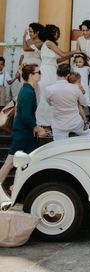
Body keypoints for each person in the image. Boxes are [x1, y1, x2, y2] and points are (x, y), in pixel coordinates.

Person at [0, 65, 47, 194]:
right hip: (22, 133)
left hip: (24, 133)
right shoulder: (27, 92)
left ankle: (15, 186)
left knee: (30, 162)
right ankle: (13, 186)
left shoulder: (27, 90)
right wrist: (37, 128)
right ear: (31, 75)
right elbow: (26, 116)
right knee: (10, 163)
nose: (40, 74)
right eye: (38, 72)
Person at [36, 24, 74, 127]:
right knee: (48, 96)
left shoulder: (46, 44)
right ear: (53, 33)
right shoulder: (50, 43)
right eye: (58, 32)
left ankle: (46, 121)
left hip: (49, 70)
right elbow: (63, 54)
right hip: (48, 72)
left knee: (47, 96)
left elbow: (57, 60)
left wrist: (71, 54)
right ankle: (44, 122)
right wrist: (76, 51)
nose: (59, 35)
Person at [47, 64, 90, 141]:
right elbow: (83, 103)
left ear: (57, 73)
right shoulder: (75, 88)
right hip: (75, 123)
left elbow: (50, 103)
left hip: (59, 125)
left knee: (58, 145)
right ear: (68, 75)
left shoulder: (49, 89)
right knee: (89, 138)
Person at [71, 54, 90, 119]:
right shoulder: (74, 68)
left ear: (84, 62)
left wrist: (89, 63)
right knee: (77, 101)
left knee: (84, 100)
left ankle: (85, 116)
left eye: (80, 62)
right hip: (76, 86)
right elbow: (71, 72)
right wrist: (72, 63)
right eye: (76, 62)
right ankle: (78, 116)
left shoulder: (86, 68)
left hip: (84, 86)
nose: (78, 63)